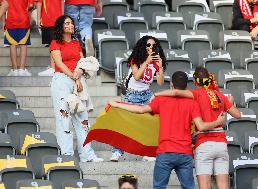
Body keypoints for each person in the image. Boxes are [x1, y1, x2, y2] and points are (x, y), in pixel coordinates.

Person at [109, 71, 226, 189]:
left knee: (159, 187)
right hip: (185, 153)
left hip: (165, 152)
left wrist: (118, 105)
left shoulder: (161, 100)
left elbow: (140, 110)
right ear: (186, 86)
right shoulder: (192, 103)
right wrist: (218, 122)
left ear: (171, 84)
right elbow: (200, 126)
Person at [155, 67, 241, 189]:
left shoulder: (196, 94)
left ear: (195, 82)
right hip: (221, 143)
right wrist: (229, 103)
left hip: (204, 143)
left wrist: (156, 93)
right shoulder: (220, 95)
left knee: (204, 185)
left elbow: (175, 92)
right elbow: (238, 115)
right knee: (223, 185)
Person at [50, 15, 103, 162]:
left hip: (77, 81)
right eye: (67, 23)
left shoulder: (76, 43)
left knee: (83, 119)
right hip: (61, 81)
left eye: (72, 23)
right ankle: (66, 155)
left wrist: (78, 77)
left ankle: (87, 155)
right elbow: (59, 63)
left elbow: (82, 62)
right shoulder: (55, 43)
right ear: (61, 27)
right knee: (63, 118)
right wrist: (74, 77)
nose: (71, 25)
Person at [110, 35, 167, 162]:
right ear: (143, 46)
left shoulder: (156, 62)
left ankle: (149, 153)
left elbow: (160, 83)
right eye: (148, 45)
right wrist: (146, 62)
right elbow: (136, 76)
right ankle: (117, 152)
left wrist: (161, 67)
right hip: (132, 94)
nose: (151, 48)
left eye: (154, 46)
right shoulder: (136, 59)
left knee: (152, 123)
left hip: (146, 94)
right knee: (124, 124)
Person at [3, 0, 33, 76]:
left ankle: (14, 70)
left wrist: (4, 22)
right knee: (23, 45)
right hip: (23, 20)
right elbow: (31, 5)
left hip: (10, 20)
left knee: (12, 45)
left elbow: (3, 6)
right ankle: (22, 69)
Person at [35, 0, 64, 76]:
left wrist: (38, 19)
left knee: (53, 44)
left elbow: (39, 3)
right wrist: (62, 16)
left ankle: (53, 68)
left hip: (47, 18)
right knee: (56, 43)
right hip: (58, 17)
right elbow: (62, 2)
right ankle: (55, 67)